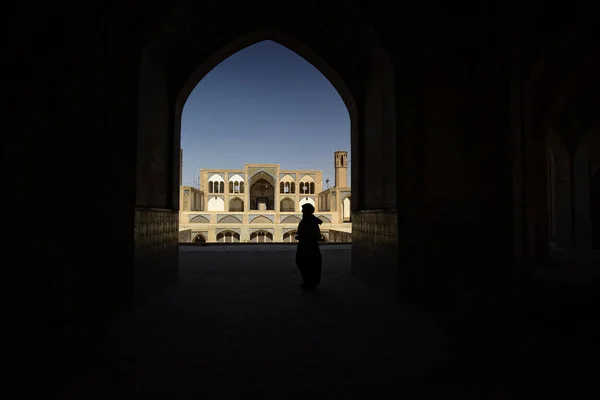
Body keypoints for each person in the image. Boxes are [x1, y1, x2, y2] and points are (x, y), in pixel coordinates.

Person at [295, 203, 323, 289]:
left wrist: (301, 237)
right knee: (309, 264)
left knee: (307, 263)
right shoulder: (311, 220)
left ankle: (309, 282)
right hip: (310, 246)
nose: (302, 211)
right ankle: (309, 281)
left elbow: (313, 234)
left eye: (303, 210)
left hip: (307, 246)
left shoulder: (309, 221)